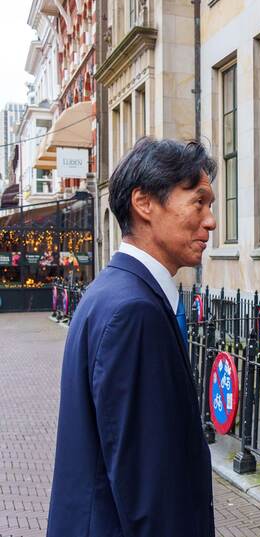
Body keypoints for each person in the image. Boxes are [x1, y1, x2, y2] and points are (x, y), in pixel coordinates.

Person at [47, 138, 218, 536]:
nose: (210, 221)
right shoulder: (135, 311)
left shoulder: (109, 293)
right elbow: (150, 491)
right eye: (198, 201)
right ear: (144, 204)